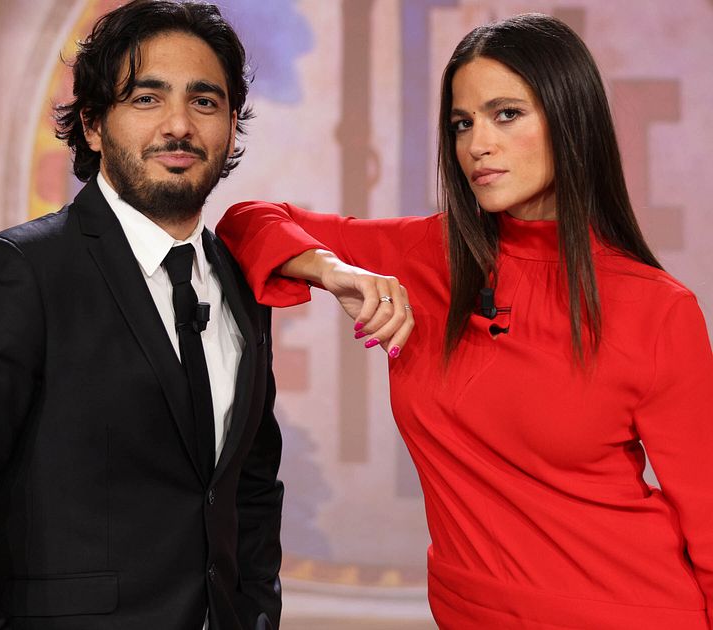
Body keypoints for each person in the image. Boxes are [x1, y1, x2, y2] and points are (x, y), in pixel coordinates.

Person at [217, 13, 713, 629]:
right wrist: (331, 270)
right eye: (462, 123)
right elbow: (245, 222)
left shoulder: (658, 310)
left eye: (506, 114)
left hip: (635, 610)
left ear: (570, 119)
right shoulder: (424, 257)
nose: (478, 144)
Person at [0, 1, 284, 628]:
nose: (179, 125)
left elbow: (252, 485)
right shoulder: (20, 272)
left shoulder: (241, 282)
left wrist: (257, 614)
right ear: (94, 124)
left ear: (232, 125)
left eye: (204, 101)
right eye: (147, 99)